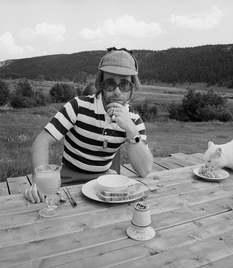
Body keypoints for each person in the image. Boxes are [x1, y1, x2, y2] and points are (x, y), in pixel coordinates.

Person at [25, 47, 153, 203]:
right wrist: (39, 180)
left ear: (132, 87)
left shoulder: (134, 119)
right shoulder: (78, 106)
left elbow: (144, 170)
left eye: (124, 84)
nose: (117, 92)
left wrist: (131, 130)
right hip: (68, 178)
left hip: (103, 182)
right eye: (110, 83)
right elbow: (42, 141)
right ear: (100, 84)